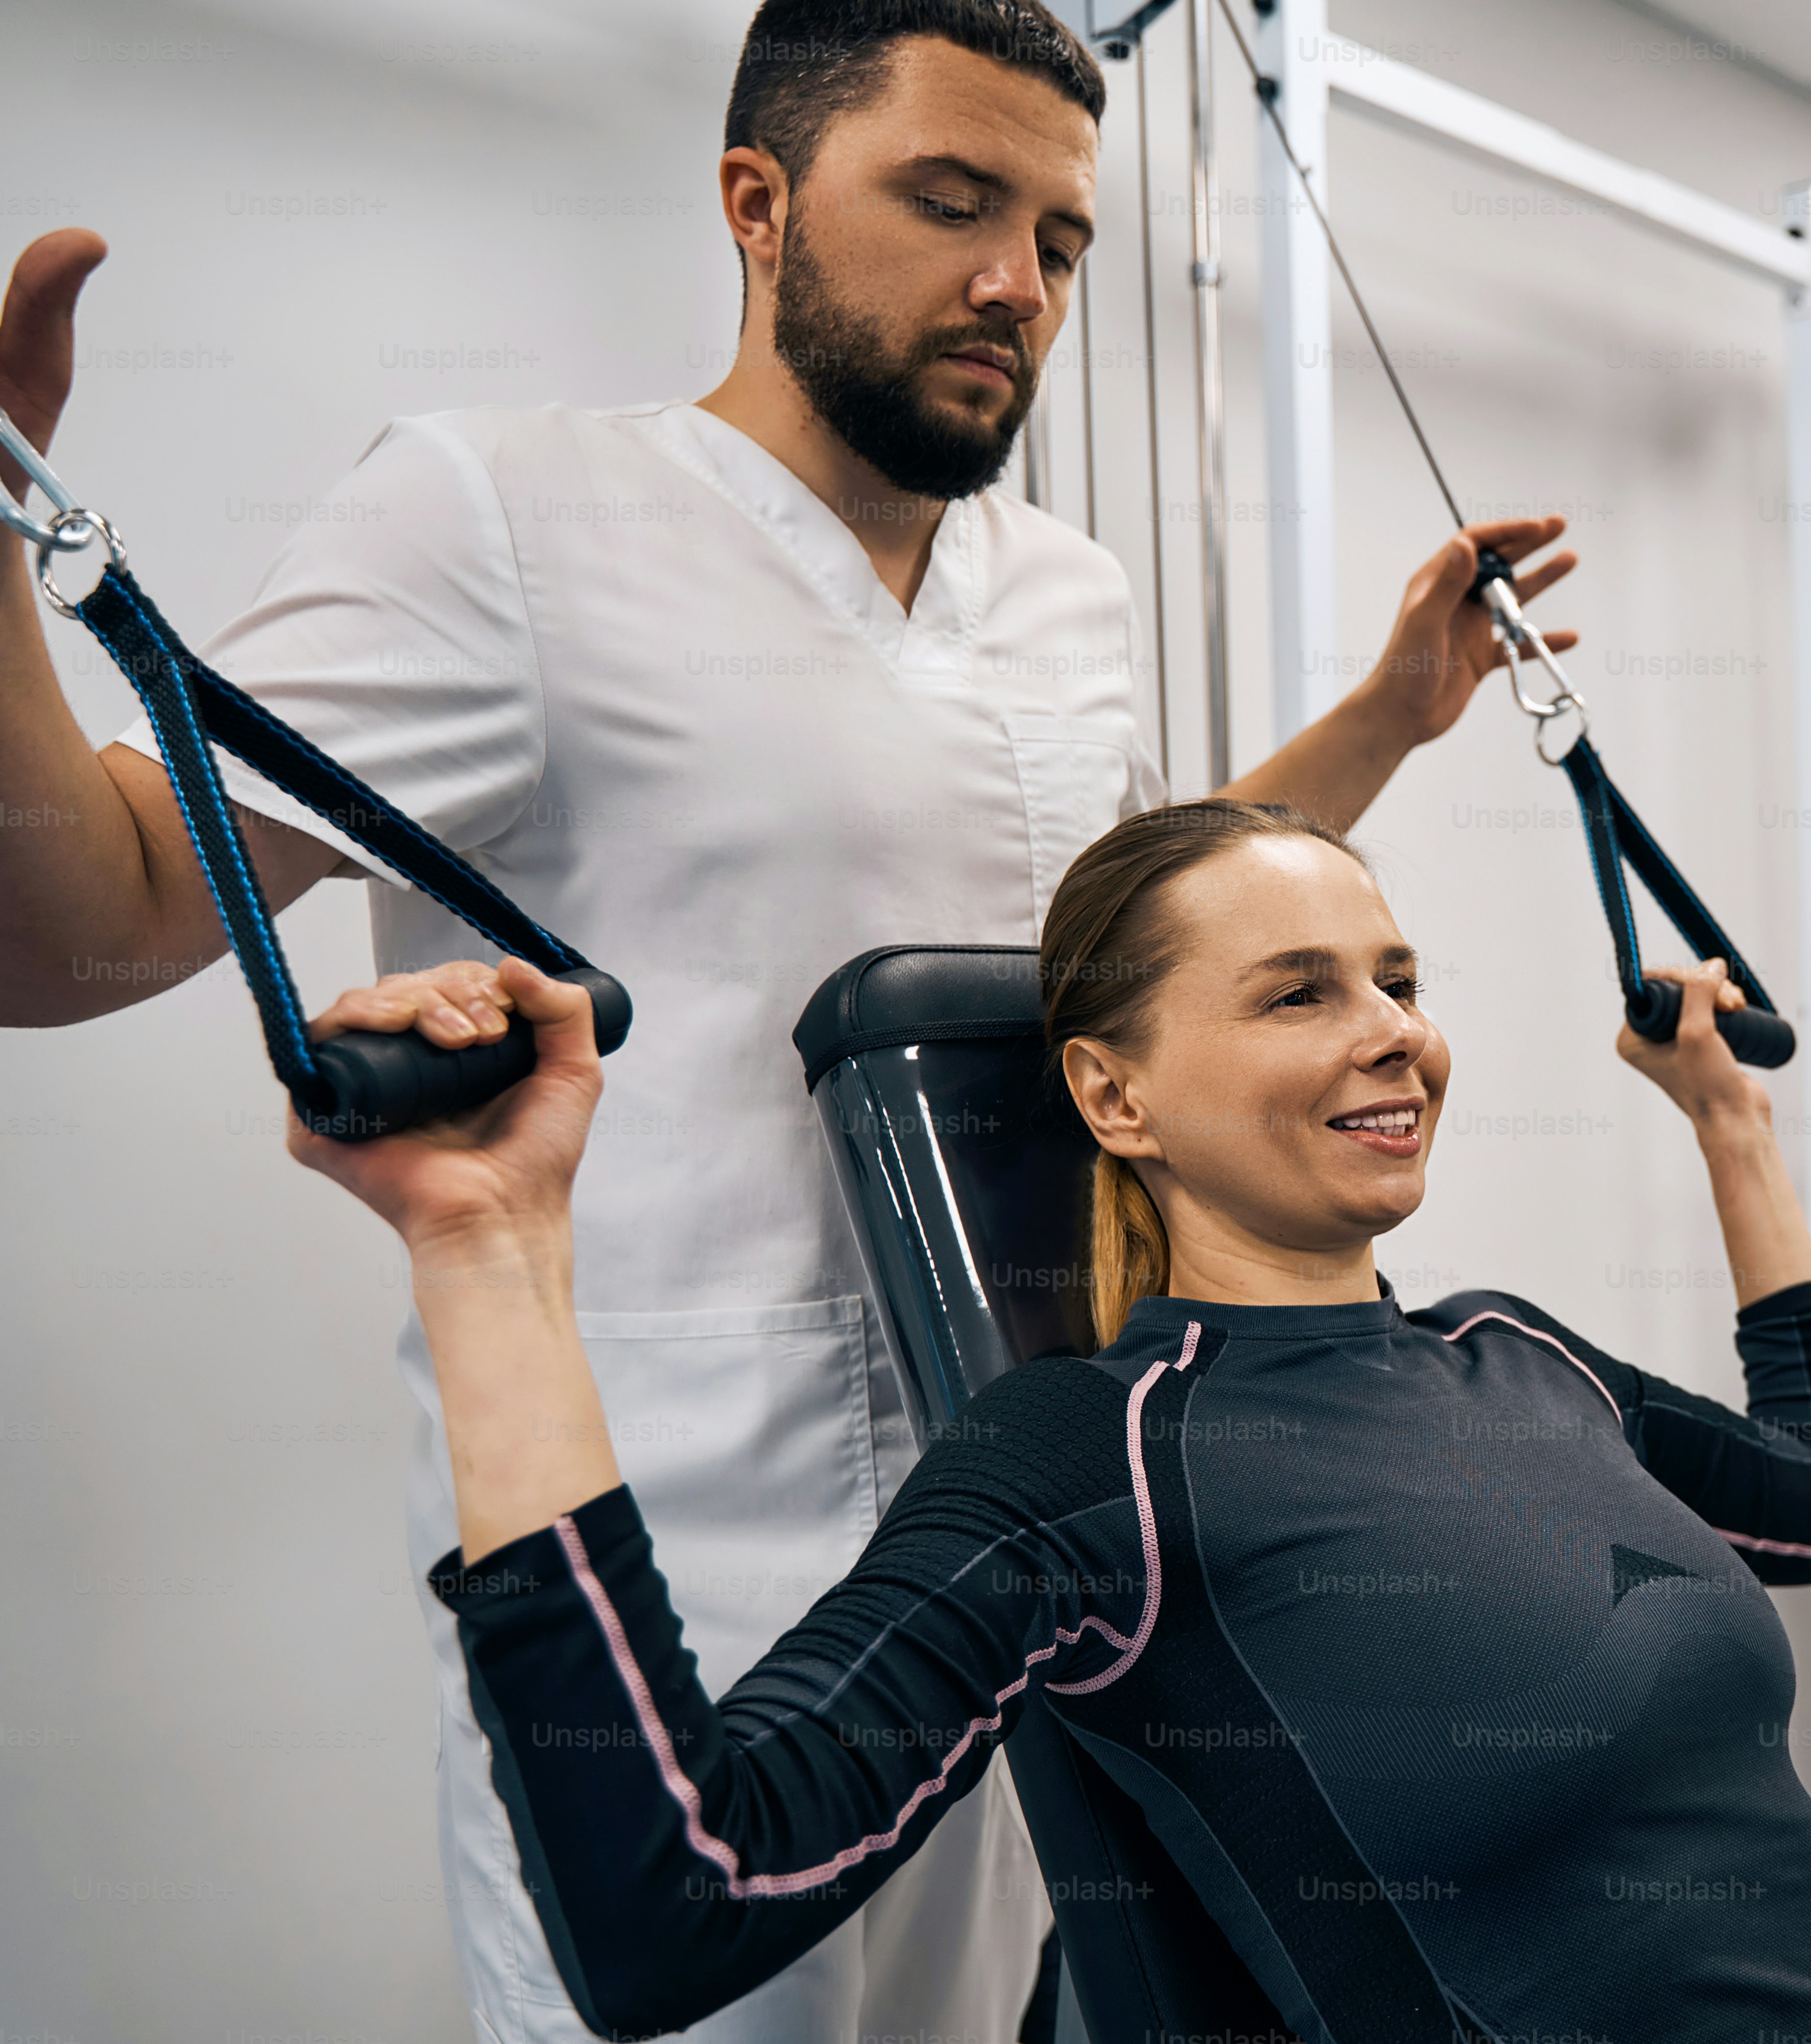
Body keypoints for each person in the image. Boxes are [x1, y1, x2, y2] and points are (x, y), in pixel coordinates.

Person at [0, 4, 1576, 2039]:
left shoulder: (1065, 599)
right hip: (658, 1592)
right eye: (949, 199)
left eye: (1063, 238)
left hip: (1017, 1555)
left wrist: (1390, 712)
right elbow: (85, 920)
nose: (1017, 279)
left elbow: (1132, 942)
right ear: (758, 204)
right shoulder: (499, 516)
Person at [291, 799, 1811, 2042]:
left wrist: (1734, 1127)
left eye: (1399, 981)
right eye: (1298, 994)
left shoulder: (1520, 1356)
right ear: (1115, 1098)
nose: (1394, 1029)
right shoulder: (1093, 1457)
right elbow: (679, 1893)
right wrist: (488, 1252)